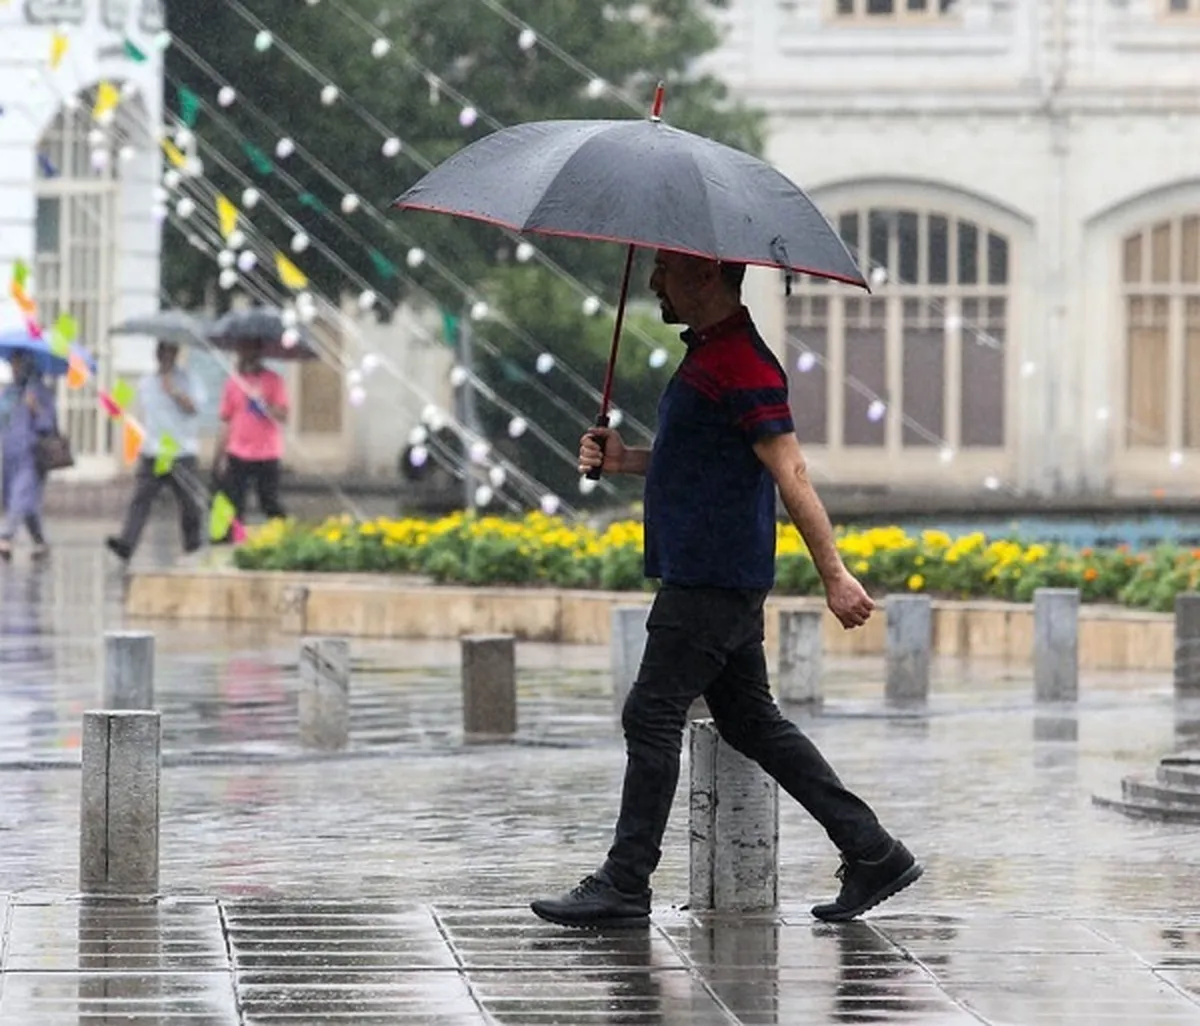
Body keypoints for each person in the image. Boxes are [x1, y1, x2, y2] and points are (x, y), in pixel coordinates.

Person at [531, 250, 922, 929]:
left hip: (711, 578)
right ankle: (874, 851)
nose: (654, 282)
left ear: (707, 277)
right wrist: (626, 461)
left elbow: (790, 469)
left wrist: (835, 575)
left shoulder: (741, 363)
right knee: (750, 722)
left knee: (650, 714)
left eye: (667, 271)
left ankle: (625, 883)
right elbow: (703, 458)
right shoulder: (712, 355)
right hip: (716, 573)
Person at [106, 341, 206, 563]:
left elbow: (195, 408)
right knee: (140, 499)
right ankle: (126, 544)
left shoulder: (189, 380)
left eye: (169, 352)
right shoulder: (146, 382)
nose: (164, 357)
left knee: (188, 503)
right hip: (153, 451)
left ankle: (193, 547)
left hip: (181, 451)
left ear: (176, 353)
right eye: (161, 352)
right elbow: (139, 413)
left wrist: (174, 392)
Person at [212, 338, 289, 531]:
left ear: (259, 352)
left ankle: (284, 536)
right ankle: (230, 544)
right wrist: (218, 456)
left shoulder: (273, 380)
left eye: (251, 349)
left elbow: (283, 415)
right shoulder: (232, 382)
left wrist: (263, 402)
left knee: (269, 501)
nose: (247, 354)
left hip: (267, 452)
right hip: (238, 452)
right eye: (243, 349)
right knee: (233, 504)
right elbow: (226, 420)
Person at [0, 351, 57, 561]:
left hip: (32, 455)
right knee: (26, 503)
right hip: (10, 455)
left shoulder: (41, 392)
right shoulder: (9, 392)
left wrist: (36, 409)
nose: (15, 368)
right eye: (12, 363)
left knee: (21, 494)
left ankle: (6, 536)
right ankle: (40, 541)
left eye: (18, 363)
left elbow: (49, 425)